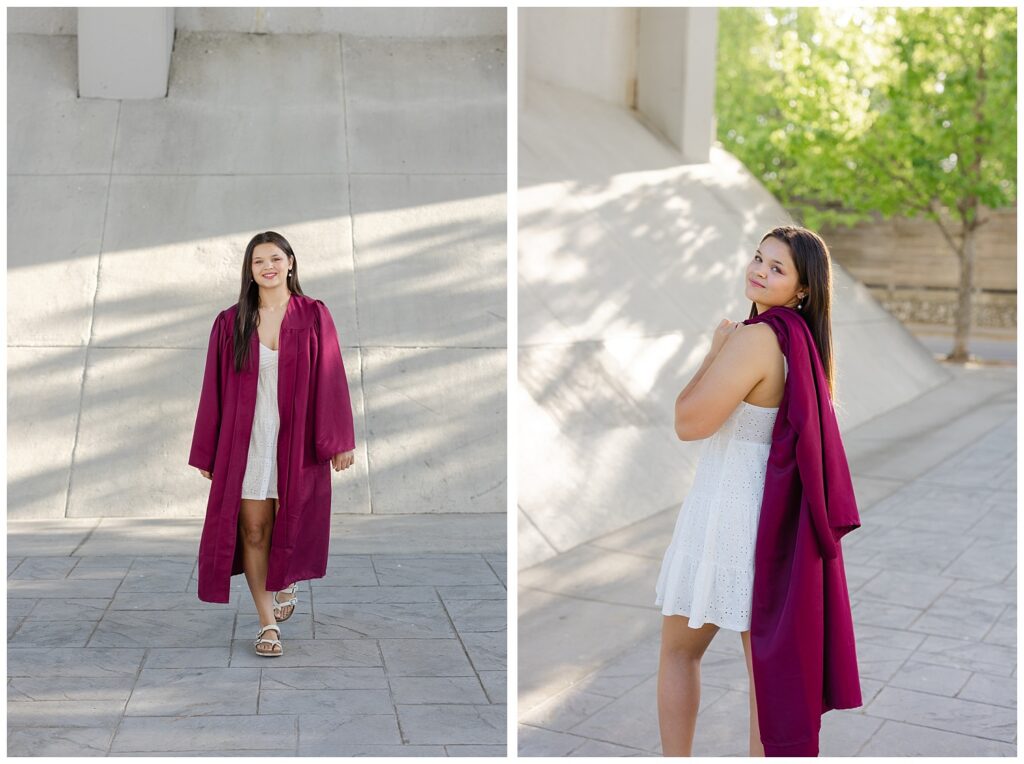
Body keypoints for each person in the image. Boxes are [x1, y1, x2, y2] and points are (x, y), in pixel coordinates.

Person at [654, 226, 837, 756]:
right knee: (768, 682)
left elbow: (689, 422)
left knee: (679, 655)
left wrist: (715, 352)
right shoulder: (800, 341)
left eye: (778, 268)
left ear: (803, 289)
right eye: (759, 258)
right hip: (775, 521)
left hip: (728, 515)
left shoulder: (756, 339)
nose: (759, 270)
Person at [189, 231, 356, 658]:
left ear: (291, 263)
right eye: (258, 260)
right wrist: (209, 451)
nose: (268, 266)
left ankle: (287, 578)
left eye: (275, 258)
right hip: (245, 441)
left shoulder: (314, 315)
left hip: (296, 438)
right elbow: (213, 389)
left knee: (292, 519)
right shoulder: (231, 322)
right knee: (253, 528)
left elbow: (331, 378)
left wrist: (338, 440)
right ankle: (267, 625)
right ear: (249, 270)